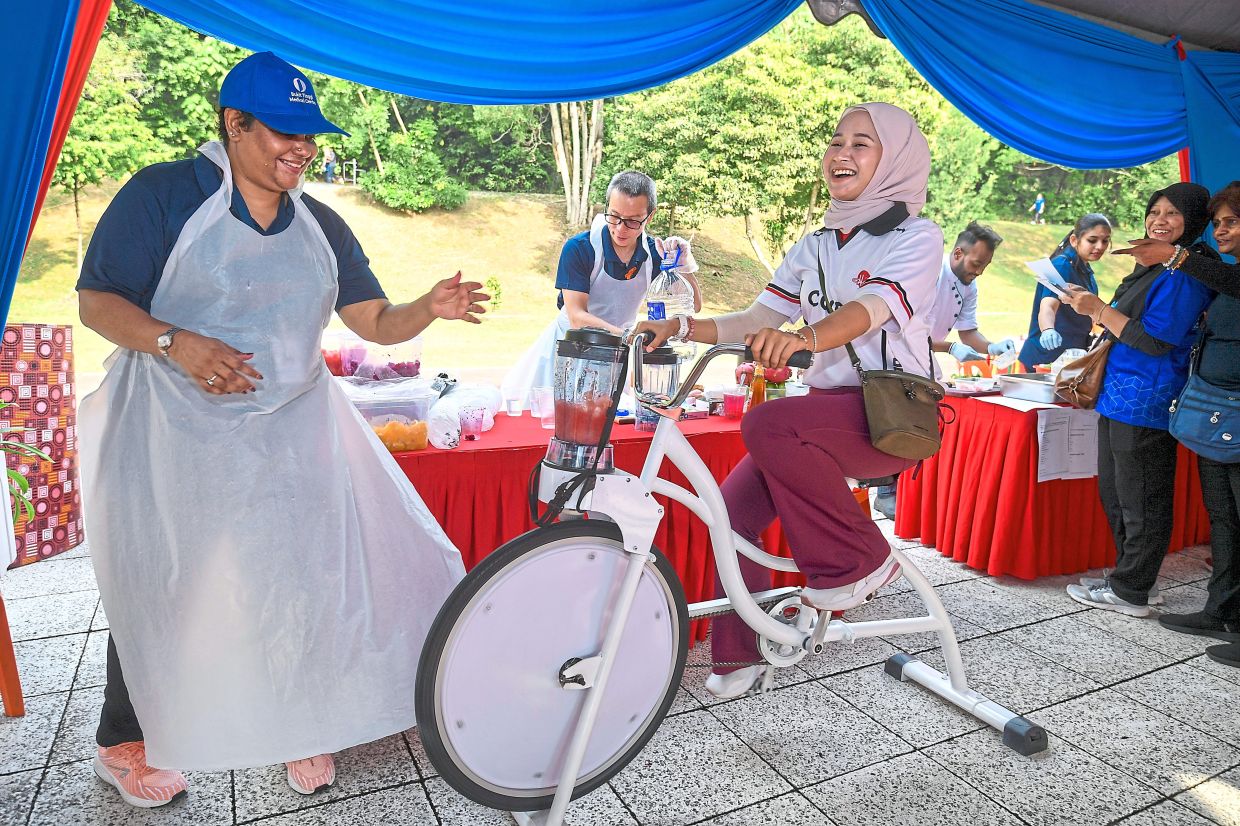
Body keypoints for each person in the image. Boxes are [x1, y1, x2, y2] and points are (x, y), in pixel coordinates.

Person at [74, 52, 484, 806]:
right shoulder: (162, 196)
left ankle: (302, 719)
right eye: (284, 133)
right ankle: (123, 740)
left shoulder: (320, 223)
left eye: (310, 136)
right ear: (235, 125)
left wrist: (427, 307)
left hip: (291, 432)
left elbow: (372, 320)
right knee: (170, 584)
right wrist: (175, 341)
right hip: (173, 432)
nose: (302, 148)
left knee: (306, 575)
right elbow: (96, 301)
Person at [635, 102, 942, 698]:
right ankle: (737, 655)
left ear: (896, 161)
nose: (841, 154)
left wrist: (802, 338)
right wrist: (681, 329)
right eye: (835, 141)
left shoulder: (918, 237)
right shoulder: (816, 243)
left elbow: (869, 309)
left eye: (861, 144)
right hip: (824, 419)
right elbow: (757, 316)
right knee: (732, 512)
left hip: (890, 415)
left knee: (770, 423)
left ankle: (860, 558)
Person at [1062, 183, 1218, 617]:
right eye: (1154, 210)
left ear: (1193, 222)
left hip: (1149, 396)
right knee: (1116, 491)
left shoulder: (1189, 270)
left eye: (1172, 213)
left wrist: (1096, 309)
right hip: (1119, 393)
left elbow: (1154, 340)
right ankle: (1128, 578)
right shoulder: (1155, 267)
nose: (1159, 220)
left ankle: (1133, 590)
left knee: (1142, 495)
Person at [1112, 181, 1240, 668]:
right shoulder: (1225, 273)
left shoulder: (1211, 273)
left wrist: (1176, 256)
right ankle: (1223, 608)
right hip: (1214, 411)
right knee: (1224, 518)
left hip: (1218, 407)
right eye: (1219, 221)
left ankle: (1221, 608)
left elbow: (1159, 335)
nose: (1222, 229)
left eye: (1232, 221)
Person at [500, 171, 702, 401]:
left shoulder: (653, 254)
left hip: (618, 355)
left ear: (650, 216)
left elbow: (693, 306)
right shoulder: (580, 248)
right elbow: (577, 317)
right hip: (569, 351)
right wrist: (630, 337)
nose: (620, 229)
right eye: (614, 216)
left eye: (633, 221)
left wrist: (685, 266)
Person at [873, 222, 1013, 520]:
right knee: (896, 422)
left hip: (925, 359)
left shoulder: (969, 286)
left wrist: (991, 348)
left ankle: (909, 490)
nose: (980, 272)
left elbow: (968, 332)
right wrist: (948, 348)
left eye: (986, 265)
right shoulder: (930, 275)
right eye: (977, 263)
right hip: (896, 354)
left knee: (921, 425)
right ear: (958, 253)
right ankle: (885, 492)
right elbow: (906, 326)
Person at [1017, 213, 1112, 369]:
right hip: (1044, 359)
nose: (1100, 246)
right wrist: (1048, 330)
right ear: (1074, 240)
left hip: (1068, 357)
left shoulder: (1086, 271)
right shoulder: (1060, 266)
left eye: (1105, 241)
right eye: (1092, 240)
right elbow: (1047, 307)